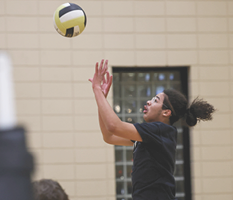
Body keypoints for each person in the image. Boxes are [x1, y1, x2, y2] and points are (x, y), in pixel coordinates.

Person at [89, 59, 215, 200]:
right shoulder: (152, 134)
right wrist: (101, 98)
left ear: (166, 112)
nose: (148, 101)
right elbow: (109, 136)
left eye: (155, 100)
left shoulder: (161, 130)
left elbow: (114, 126)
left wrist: (97, 90)